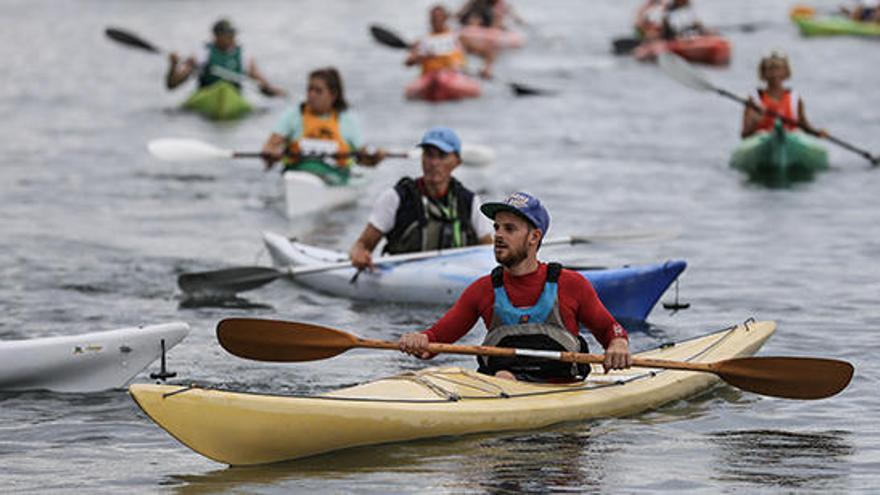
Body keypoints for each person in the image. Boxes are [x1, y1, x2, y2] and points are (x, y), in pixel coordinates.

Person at [398, 192, 632, 382]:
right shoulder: (482, 290)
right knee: (504, 376)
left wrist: (618, 345)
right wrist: (418, 340)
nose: (498, 235)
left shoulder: (571, 284)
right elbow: (435, 341)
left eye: (509, 229)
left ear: (534, 237)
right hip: (502, 385)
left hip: (560, 394)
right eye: (497, 227)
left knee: (505, 377)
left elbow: (611, 330)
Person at [350, 126, 493, 269]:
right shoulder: (395, 198)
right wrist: (359, 254)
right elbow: (362, 245)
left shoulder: (470, 201)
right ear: (422, 158)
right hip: (404, 279)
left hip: (457, 276)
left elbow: (489, 251)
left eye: (442, 156)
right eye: (429, 155)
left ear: (457, 162)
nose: (434, 163)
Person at [261, 67, 384, 186]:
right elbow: (270, 145)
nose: (311, 95)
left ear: (333, 95)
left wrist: (374, 157)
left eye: (318, 91)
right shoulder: (294, 115)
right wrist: (271, 153)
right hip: (296, 175)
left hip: (334, 176)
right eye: (309, 89)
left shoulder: (347, 120)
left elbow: (363, 157)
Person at [166, 19, 284, 96]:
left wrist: (272, 90)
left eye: (233, 34)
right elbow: (172, 85)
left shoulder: (244, 56)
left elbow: (261, 83)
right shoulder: (202, 54)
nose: (232, 38)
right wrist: (173, 65)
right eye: (228, 34)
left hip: (233, 97)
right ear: (216, 35)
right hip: (206, 96)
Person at [741, 52, 827, 139]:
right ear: (764, 73)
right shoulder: (755, 99)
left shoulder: (794, 98)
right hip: (763, 141)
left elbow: (804, 126)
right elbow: (744, 135)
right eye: (770, 69)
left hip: (790, 141)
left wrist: (817, 133)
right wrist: (756, 122)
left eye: (778, 69)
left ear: (785, 72)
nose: (774, 73)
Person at [407, 5, 495, 79]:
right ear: (430, 20)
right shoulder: (422, 41)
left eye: (439, 17)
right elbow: (408, 62)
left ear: (445, 18)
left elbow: (488, 52)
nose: (437, 20)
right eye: (434, 18)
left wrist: (486, 68)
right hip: (431, 77)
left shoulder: (458, 37)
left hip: (454, 76)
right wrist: (419, 57)